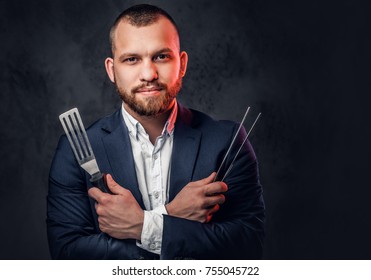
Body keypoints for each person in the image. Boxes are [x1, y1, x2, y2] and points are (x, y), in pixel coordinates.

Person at [47, 4, 265, 260]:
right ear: (111, 70)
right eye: (132, 59)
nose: (149, 74)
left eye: (161, 56)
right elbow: (68, 255)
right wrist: (172, 215)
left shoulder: (228, 142)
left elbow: (248, 246)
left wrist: (143, 226)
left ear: (181, 64)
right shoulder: (75, 150)